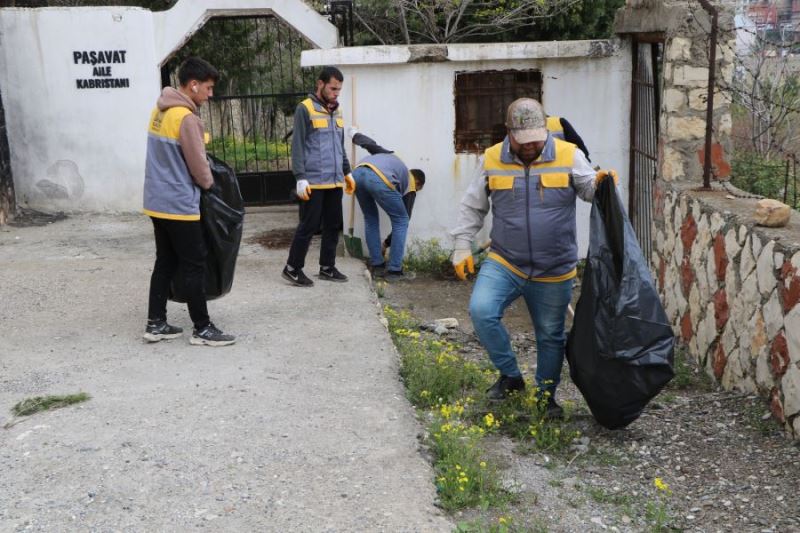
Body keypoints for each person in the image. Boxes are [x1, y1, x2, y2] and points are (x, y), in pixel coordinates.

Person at [450, 97, 615, 417]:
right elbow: (473, 205)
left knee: (550, 334)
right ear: (509, 134)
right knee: (482, 311)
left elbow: (586, 190)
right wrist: (461, 243)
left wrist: (602, 184)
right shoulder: (492, 159)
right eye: (523, 142)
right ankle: (510, 375)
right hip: (505, 260)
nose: (531, 147)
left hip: (553, 266)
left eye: (537, 140)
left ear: (545, 131)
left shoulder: (569, 155)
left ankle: (546, 396)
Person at [142, 56, 235, 347]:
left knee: (165, 261)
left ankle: (155, 323)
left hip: (156, 201)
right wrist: (210, 185)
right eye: (207, 88)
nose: (210, 94)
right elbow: (199, 168)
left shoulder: (159, 111)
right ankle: (202, 328)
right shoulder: (186, 118)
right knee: (195, 263)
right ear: (193, 85)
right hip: (179, 203)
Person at [282, 66, 354, 287]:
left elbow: (339, 146)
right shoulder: (305, 109)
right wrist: (300, 177)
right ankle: (292, 268)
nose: (335, 93)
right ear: (320, 84)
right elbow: (298, 146)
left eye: (339, 90)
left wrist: (347, 171)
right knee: (309, 225)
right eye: (332, 88)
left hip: (334, 180)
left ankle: (327, 267)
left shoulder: (337, 111)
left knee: (333, 225)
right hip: (313, 181)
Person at [349, 128, 425, 281]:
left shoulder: (391, 156)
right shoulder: (410, 182)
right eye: (417, 189)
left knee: (370, 218)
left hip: (356, 173)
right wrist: (386, 243)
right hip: (378, 177)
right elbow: (405, 218)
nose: (414, 191)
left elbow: (370, 144)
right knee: (401, 221)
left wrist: (354, 135)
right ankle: (394, 271)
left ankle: (377, 266)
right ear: (417, 182)